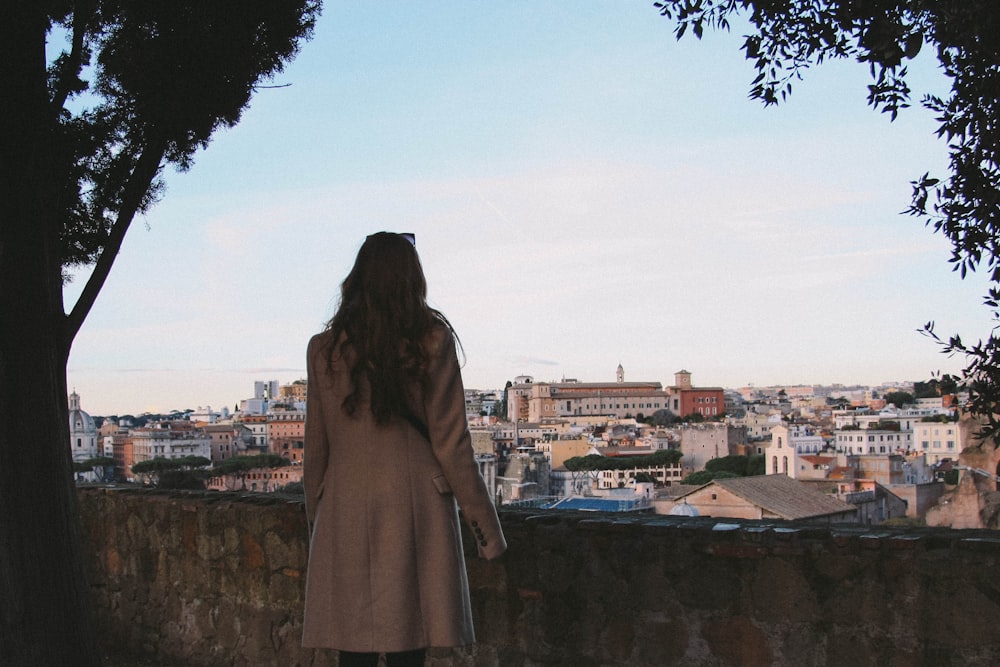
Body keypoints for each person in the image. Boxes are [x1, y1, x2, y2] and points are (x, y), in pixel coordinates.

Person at [302, 232, 506, 667]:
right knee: (409, 639)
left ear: (357, 280)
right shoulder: (432, 342)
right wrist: (488, 535)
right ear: (412, 278)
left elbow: (315, 452)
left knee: (351, 647)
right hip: (415, 508)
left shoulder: (323, 351)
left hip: (344, 508)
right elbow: (453, 446)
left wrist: (315, 523)